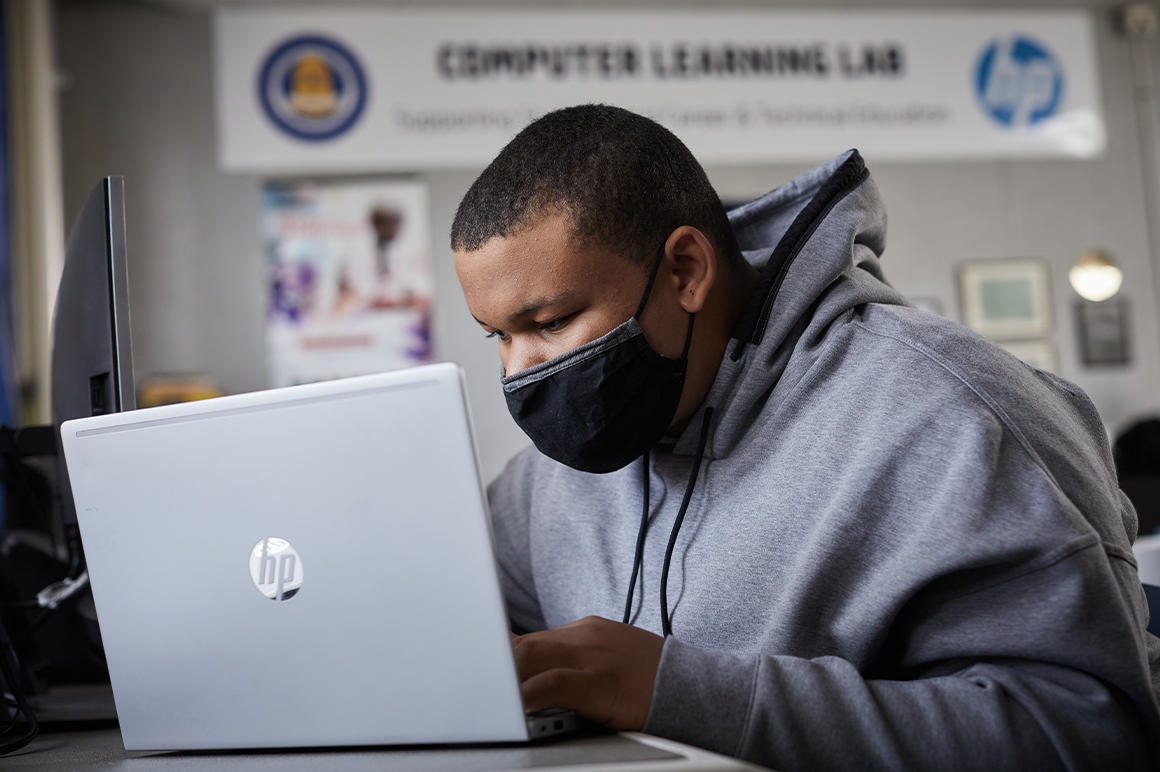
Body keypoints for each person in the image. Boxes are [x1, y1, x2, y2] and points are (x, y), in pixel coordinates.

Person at [450, 104, 1160, 770]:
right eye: (499, 337)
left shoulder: (953, 415)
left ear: (685, 271)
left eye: (550, 322)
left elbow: (1090, 733)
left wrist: (678, 690)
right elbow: (464, 628)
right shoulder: (545, 482)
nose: (521, 373)